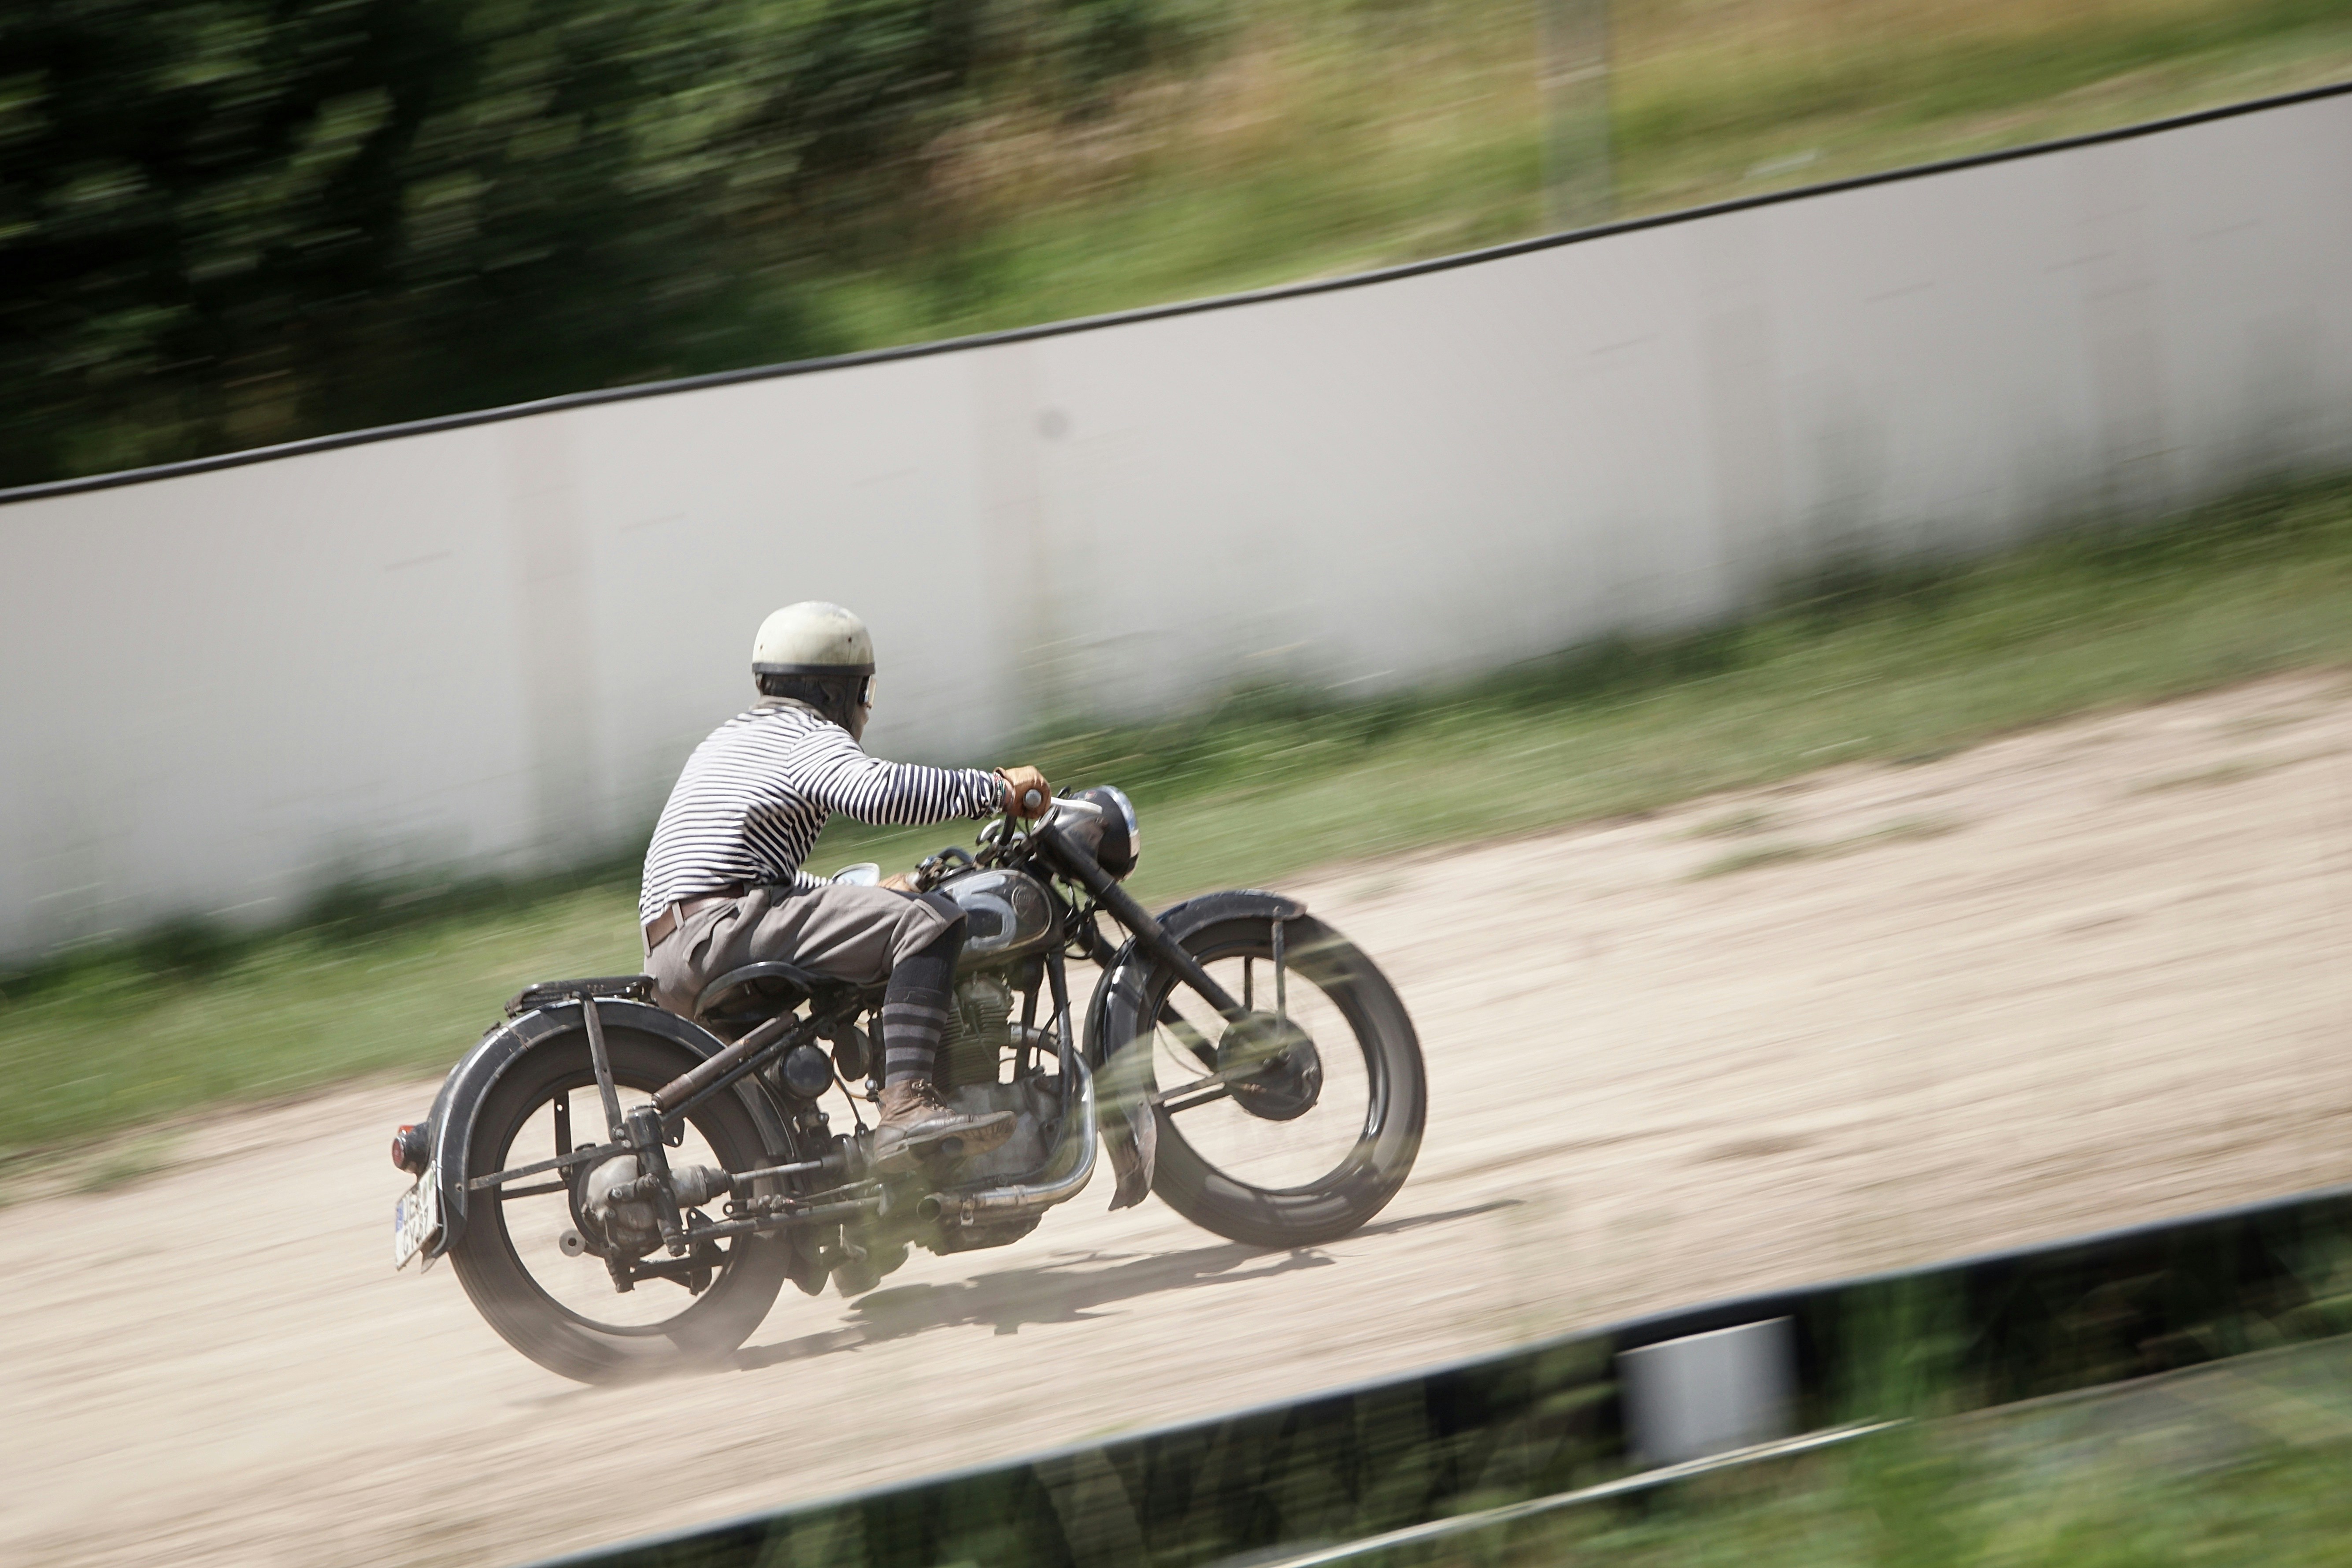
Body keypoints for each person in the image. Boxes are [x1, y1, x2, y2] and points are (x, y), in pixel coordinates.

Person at [637, 601, 1052, 1167]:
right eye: (864, 693)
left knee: (893, 918)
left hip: (675, 948)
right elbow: (879, 793)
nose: (865, 709)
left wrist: (862, 891)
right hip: (725, 928)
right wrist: (995, 789)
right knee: (929, 921)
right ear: (836, 692)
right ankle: (908, 1107)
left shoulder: (732, 739)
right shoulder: (804, 733)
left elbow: (753, 873)